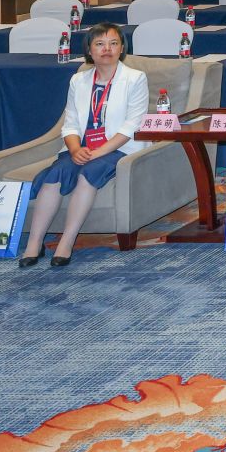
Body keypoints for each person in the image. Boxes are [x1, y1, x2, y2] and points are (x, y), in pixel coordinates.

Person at [19, 23, 152, 268]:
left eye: (113, 43)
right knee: (56, 173)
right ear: (89, 50)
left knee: (88, 173)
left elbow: (132, 125)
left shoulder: (135, 79)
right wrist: (74, 149)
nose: (107, 49)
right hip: (82, 148)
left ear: (122, 48)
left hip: (119, 148)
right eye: (100, 44)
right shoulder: (78, 80)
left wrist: (98, 152)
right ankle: (34, 244)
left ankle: (66, 242)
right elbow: (69, 123)